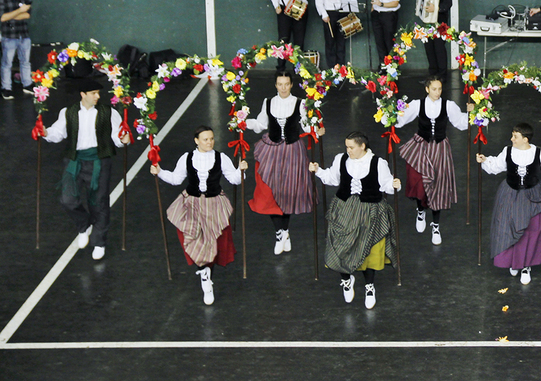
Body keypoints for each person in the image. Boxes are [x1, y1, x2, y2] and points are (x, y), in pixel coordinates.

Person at [151, 126, 247, 305]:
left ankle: (207, 276)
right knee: (192, 237)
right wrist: (160, 172)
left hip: (214, 204)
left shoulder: (221, 158)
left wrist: (241, 170)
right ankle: (204, 273)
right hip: (192, 203)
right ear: (196, 141)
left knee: (211, 242)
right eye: (205, 139)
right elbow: (176, 179)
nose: (210, 142)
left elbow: (234, 179)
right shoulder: (187, 158)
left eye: (211, 139)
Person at [43, 79, 132, 259]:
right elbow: (57, 133)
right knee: (67, 199)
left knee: (99, 202)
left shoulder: (109, 112)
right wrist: (45, 133)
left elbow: (118, 136)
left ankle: (99, 242)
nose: (97, 96)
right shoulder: (68, 112)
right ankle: (84, 225)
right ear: (83, 94)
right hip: (74, 160)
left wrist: (124, 139)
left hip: (99, 160)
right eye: (93, 93)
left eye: (98, 93)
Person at [310, 132, 400, 307]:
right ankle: (346, 279)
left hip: (370, 210)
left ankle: (369, 286)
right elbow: (332, 179)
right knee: (340, 246)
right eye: (347, 147)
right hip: (344, 209)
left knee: (370, 249)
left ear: (362, 146)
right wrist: (318, 171)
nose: (348, 150)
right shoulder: (341, 159)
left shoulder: (378, 163)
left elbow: (386, 185)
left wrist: (394, 185)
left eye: (351, 147)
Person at [477, 123, 541, 285]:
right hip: (510, 194)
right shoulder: (508, 151)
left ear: (525, 139)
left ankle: (526, 266)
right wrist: (484, 160)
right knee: (507, 228)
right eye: (512, 135)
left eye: (515, 136)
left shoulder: (538, 152)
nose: (512, 139)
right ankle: (513, 261)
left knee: (531, 230)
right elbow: (497, 165)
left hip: (532, 195)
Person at [245, 72, 323, 254]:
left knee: (287, 191)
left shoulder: (300, 103)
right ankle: (280, 232)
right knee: (269, 191)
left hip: (292, 150)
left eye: (286, 84)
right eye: (280, 84)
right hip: (271, 149)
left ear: (291, 85)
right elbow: (261, 124)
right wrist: (243, 122)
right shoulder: (268, 102)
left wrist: (316, 129)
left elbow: (306, 125)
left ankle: (284, 231)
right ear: (275, 85)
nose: (283, 88)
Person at [395, 75, 470, 245]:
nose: (437, 92)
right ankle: (420, 210)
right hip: (421, 146)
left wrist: (472, 114)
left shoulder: (448, 105)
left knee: (438, 186)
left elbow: (460, 122)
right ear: (427, 89)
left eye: (440, 89)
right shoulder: (417, 104)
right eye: (434, 89)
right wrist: (390, 115)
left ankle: (436, 226)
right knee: (419, 182)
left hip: (440, 148)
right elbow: (401, 120)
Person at [1, 0, 32, 99]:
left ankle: (27, 84)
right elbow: (2, 17)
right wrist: (19, 11)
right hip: (9, 36)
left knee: (25, 62)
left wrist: (11, 15)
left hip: (23, 35)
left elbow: (27, 15)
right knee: (7, 63)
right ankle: (6, 88)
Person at [421, 0, 453, 75]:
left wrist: (436, 8)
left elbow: (448, 4)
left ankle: (442, 76)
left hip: (440, 22)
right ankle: (432, 76)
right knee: (429, 48)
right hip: (428, 20)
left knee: (439, 48)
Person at [369, 0, 401, 67]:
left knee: (389, 42)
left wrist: (381, 4)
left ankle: (392, 67)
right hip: (376, 14)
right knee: (379, 41)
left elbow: (395, 3)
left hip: (388, 15)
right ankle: (383, 65)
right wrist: (373, 6)